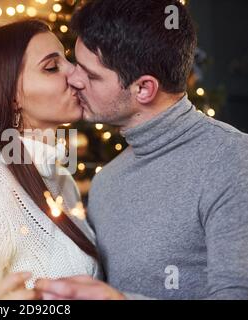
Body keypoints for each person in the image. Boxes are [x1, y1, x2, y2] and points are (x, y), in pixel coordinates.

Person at [35, 0, 248, 300]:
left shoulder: (233, 161)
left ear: (144, 89)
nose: (73, 78)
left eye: (90, 74)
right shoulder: (106, 182)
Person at [0, 20, 101, 300]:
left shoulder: (60, 178)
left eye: (66, 60)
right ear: (11, 97)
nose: (75, 74)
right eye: (52, 67)